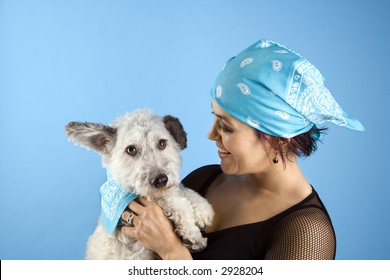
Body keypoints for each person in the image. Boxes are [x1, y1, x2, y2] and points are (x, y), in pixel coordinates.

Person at [120, 39, 365, 260]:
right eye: (214, 117)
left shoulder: (306, 233)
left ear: (277, 137)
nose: (211, 134)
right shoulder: (205, 177)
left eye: (226, 127)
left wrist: (173, 253)